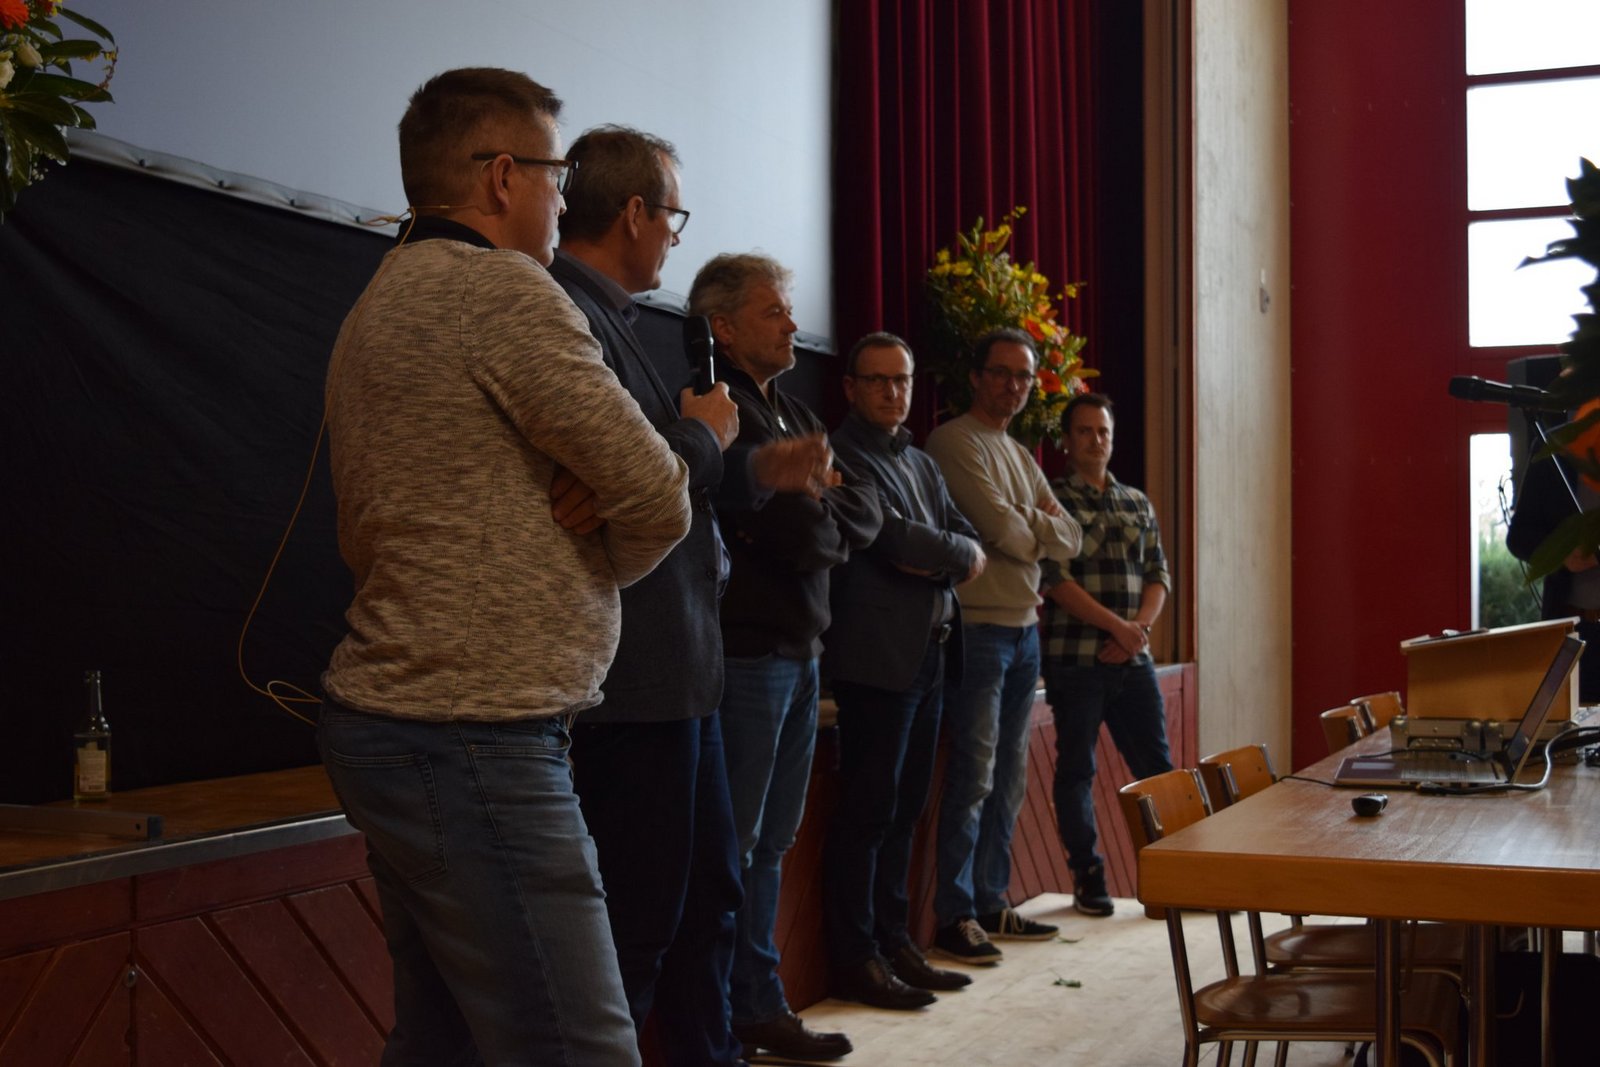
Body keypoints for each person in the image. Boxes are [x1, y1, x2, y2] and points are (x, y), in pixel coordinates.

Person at [316, 69, 691, 1067]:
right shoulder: (500, 289)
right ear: (500, 176)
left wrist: (588, 506)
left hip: (406, 721)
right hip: (473, 732)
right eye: (556, 175)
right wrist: (599, 539)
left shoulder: (380, 298)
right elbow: (660, 495)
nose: (564, 200)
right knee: (579, 1046)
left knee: (446, 1044)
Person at [549, 126, 831, 1067]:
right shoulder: (569, 318)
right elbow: (631, 484)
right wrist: (706, 438)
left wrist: (749, 468)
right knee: (640, 921)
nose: (676, 235)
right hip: (639, 677)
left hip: (688, 670)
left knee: (710, 892)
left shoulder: (624, 324)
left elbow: (667, 481)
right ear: (635, 213)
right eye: (673, 214)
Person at [691, 253, 882, 1062]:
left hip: (804, 654)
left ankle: (759, 1002)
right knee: (736, 846)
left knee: (773, 840)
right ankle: (728, 1016)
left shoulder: (794, 407)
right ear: (725, 325)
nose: (793, 325)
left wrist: (814, 503)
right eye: (773, 311)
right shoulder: (713, 407)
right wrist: (809, 508)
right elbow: (796, 533)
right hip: (749, 656)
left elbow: (862, 511)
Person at [821, 332, 986, 1010]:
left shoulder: (920, 462)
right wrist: (950, 555)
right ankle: (855, 957)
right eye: (879, 380)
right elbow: (893, 540)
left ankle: (895, 943)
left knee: (907, 810)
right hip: (875, 660)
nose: (893, 392)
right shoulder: (841, 453)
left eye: (903, 380)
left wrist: (942, 556)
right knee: (868, 812)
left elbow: (962, 536)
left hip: (931, 655)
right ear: (851, 387)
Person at [924, 327, 1082, 966]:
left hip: (1024, 629)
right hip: (980, 629)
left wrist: (1029, 520)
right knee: (975, 774)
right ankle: (955, 914)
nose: (1013, 386)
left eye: (1024, 376)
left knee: (1010, 777)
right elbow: (1004, 532)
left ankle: (991, 901)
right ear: (977, 377)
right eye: (1002, 372)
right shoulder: (953, 441)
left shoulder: (1017, 451)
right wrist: (1035, 522)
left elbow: (1069, 538)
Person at [1040, 392, 1174, 917]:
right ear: (1066, 440)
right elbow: (1054, 580)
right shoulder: (1052, 500)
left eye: (1104, 432)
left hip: (1134, 662)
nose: (1096, 441)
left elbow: (1159, 574)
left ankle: (1173, 876)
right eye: (1085, 431)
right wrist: (1117, 628)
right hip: (1076, 660)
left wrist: (1137, 631)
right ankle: (1088, 878)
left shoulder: (1136, 501)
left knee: (1158, 771)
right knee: (1077, 771)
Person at [1506, 446, 1600, 702]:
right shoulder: (1556, 452)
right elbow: (1519, 537)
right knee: (1570, 719)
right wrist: (1561, 553)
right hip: (1573, 630)